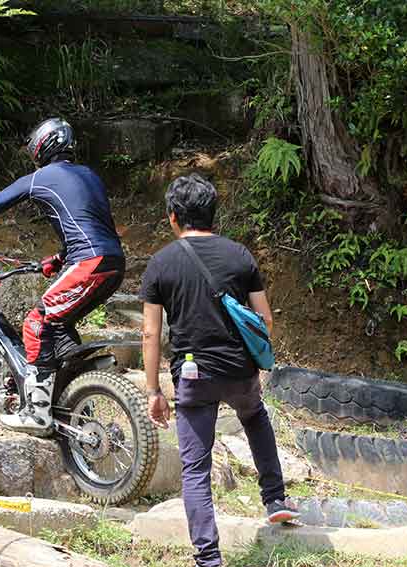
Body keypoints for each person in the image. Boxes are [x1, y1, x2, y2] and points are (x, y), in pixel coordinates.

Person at [0, 118, 125, 433]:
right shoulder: (90, 175)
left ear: (41, 147)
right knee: (59, 324)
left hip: (88, 262)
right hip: (112, 263)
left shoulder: (40, 178)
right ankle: (71, 395)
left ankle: (37, 413)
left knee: (36, 322)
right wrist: (59, 259)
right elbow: (93, 227)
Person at [138, 173, 299, 567]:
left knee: (195, 467)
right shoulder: (240, 255)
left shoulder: (161, 263)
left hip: (193, 376)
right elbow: (265, 319)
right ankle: (275, 498)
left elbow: (149, 333)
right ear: (213, 214)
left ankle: (208, 559)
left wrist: (153, 390)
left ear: (173, 217)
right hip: (239, 369)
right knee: (255, 415)